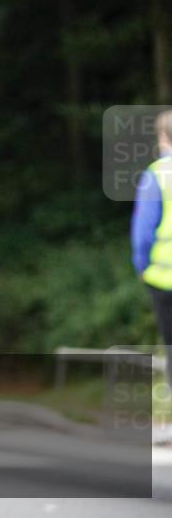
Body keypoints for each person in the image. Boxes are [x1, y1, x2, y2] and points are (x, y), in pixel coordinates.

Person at [131, 109, 172, 395]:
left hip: (165, 281)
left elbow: (143, 232)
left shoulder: (157, 174)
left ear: (165, 138)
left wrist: (142, 267)